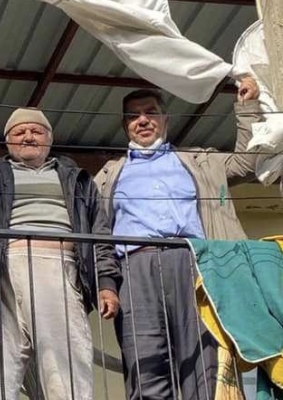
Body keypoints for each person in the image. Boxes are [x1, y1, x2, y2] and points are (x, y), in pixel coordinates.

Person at [94, 77, 262, 400]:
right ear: (125, 125)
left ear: (165, 119)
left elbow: (246, 163)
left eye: (150, 112)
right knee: (144, 363)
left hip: (193, 263)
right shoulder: (108, 174)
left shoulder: (197, 161)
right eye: (133, 116)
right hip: (134, 269)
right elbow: (94, 228)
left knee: (204, 359)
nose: (143, 120)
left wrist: (248, 107)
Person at [0, 108, 122, 400]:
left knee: (64, 366)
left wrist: (106, 282)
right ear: (8, 140)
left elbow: (100, 233)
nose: (28, 137)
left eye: (36, 131)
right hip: (2, 274)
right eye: (19, 132)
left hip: (58, 271)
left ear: (49, 139)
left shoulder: (76, 178)